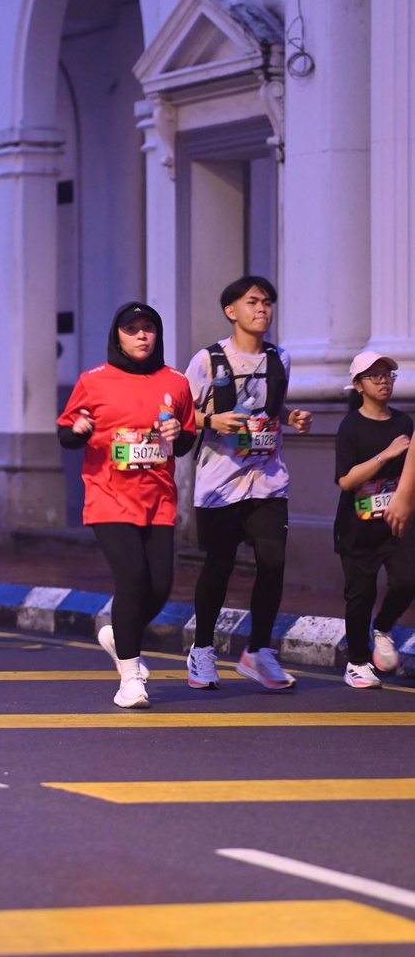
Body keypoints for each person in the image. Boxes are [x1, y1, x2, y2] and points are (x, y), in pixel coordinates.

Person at [57, 302, 196, 709]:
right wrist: (79, 429)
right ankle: (130, 678)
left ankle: (121, 634)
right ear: (117, 335)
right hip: (109, 494)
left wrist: (178, 431)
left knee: (160, 585)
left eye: (147, 328)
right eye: (131, 328)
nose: (141, 335)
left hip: (159, 496)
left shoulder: (176, 381)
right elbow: (66, 434)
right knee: (133, 578)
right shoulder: (93, 380)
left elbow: (186, 440)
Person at [184, 275, 312, 691]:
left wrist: (291, 417)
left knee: (273, 562)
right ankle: (202, 649)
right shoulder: (208, 360)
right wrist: (212, 420)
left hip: (268, 480)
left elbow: (274, 406)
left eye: (267, 302)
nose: (262, 309)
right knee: (219, 566)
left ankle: (257, 651)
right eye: (253, 302)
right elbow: (180, 415)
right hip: (219, 483)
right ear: (231, 311)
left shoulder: (280, 358)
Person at [334, 351, 414, 688]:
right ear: (358, 385)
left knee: (407, 580)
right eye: (375, 376)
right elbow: (346, 480)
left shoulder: (405, 422)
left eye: (387, 375)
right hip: (358, 527)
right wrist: (386, 454)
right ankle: (356, 663)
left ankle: (382, 627)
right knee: (360, 596)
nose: (383, 381)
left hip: (397, 523)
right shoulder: (350, 426)